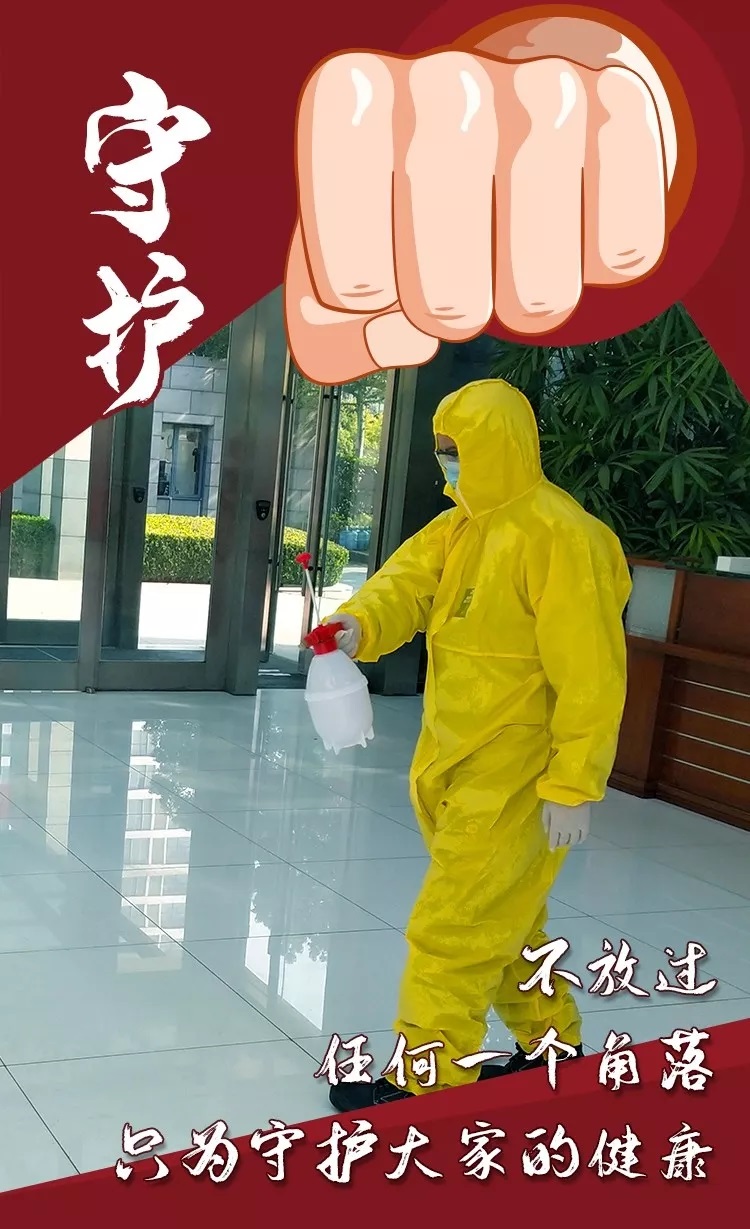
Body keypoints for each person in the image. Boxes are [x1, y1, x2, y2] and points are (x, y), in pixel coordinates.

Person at [326, 378, 632, 1111]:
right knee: (509, 920)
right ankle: (553, 1052)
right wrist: (358, 625)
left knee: (454, 930)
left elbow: (592, 672)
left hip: (517, 774)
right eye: (442, 449)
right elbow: (404, 585)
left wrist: (573, 782)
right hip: (455, 761)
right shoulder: (460, 526)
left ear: (499, 445)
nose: (448, 462)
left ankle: (425, 1086)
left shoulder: (561, 535)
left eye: (457, 449)